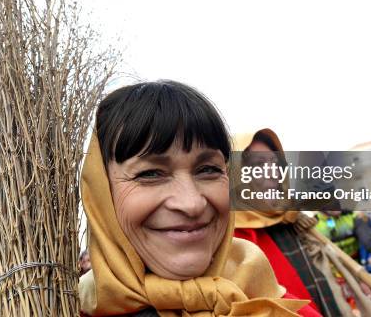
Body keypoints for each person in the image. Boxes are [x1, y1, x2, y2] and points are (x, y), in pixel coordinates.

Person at [79, 81, 317, 316]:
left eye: (208, 169)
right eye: (150, 174)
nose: (191, 204)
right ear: (101, 197)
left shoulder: (271, 301)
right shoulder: (67, 307)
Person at [234, 128, 371, 317]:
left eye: (275, 163)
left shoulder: (300, 225)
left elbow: (367, 248)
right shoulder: (234, 245)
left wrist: (370, 284)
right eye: (259, 165)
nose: (274, 173)